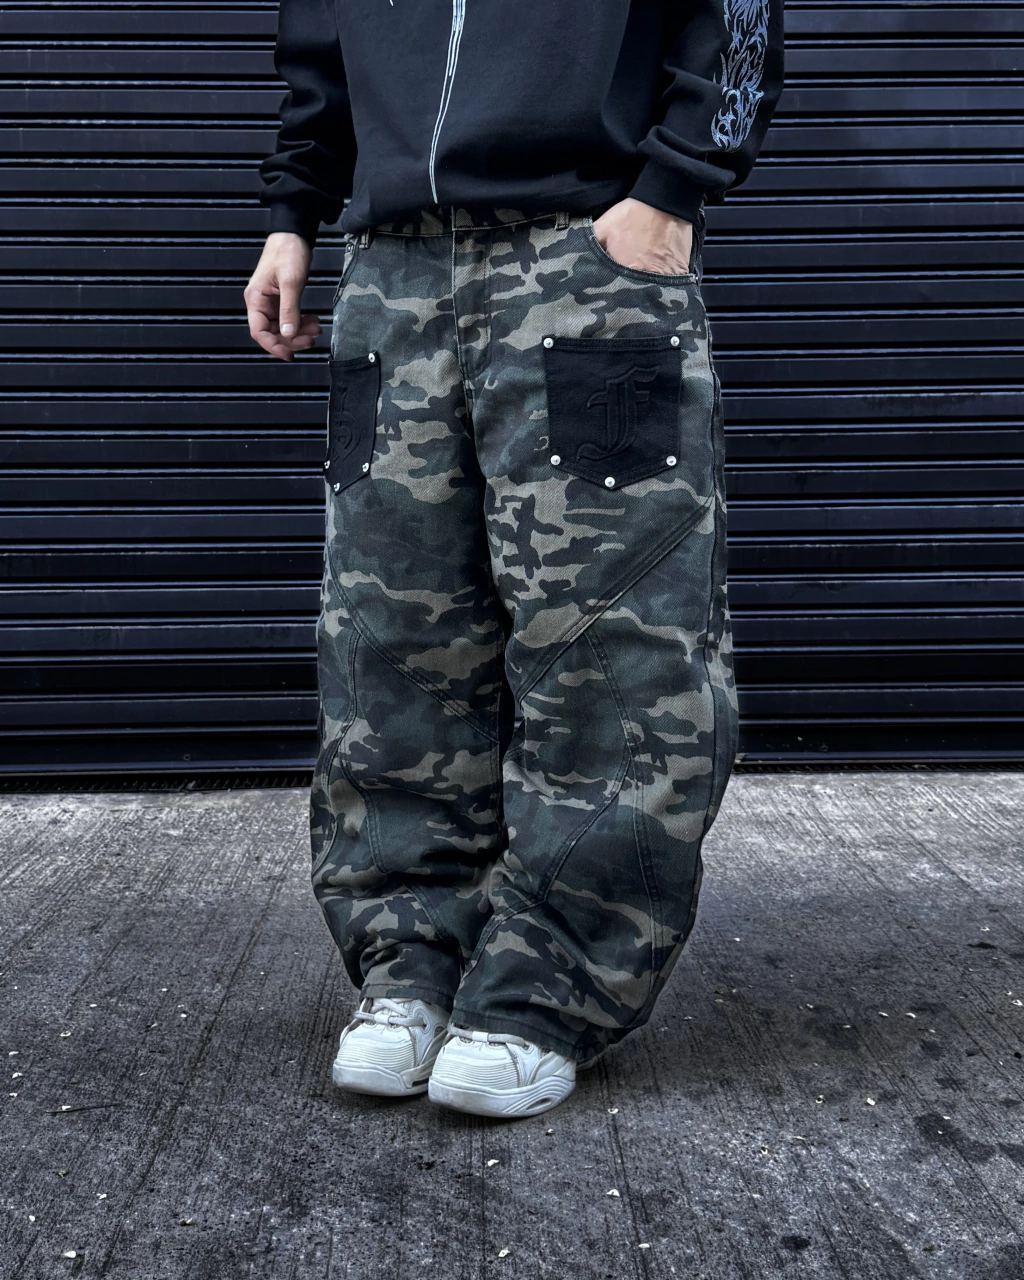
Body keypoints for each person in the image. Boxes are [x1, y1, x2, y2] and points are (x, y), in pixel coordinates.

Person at [247, 0, 784, 1120]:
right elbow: (321, 45)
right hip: (392, 272)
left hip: (579, 260)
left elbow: (736, 11)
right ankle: (411, 961)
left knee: (612, 646)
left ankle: (548, 989)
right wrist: (295, 212)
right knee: (391, 644)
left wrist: (673, 188)